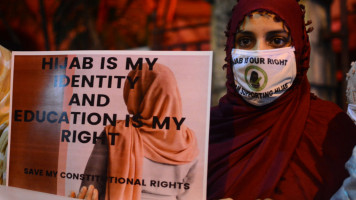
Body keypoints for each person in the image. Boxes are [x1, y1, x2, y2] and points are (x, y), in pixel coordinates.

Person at [208, 0, 356, 199]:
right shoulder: (207, 131)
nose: (258, 54)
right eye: (245, 41)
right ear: (229, 48)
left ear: (300, 48)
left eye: (276, 40)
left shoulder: (331, 129)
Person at [71, 63, 199, 200]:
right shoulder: (188, 140)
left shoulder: (117, 133)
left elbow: (88, 190)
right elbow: (186, 193)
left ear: (135, 92)